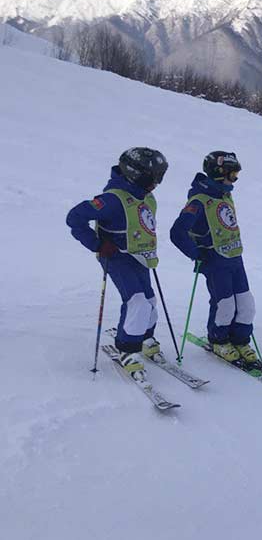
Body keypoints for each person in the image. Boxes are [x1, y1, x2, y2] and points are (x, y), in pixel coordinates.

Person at [66, 148, 169, 381]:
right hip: (116, 257)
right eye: (153, 178)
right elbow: (75, 218)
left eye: (159, 177)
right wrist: (97, 244)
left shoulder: (147, 197)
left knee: (150, 301)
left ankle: (144, 337)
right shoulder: (112, 199)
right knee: (137, 301)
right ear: (136, 174)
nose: (156, 183)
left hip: (140, 256)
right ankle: (127, 348)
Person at [170, 151, 258, 367]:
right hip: (214, 259)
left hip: (235, 257)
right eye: (232, 175)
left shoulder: (225, 195)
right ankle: (218, 340)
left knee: (247, 304)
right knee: (225, 304)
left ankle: (240, 340)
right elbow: (177, 232)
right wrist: (196, 253)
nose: (235, 180)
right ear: (218, 173)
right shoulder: (199, 201)